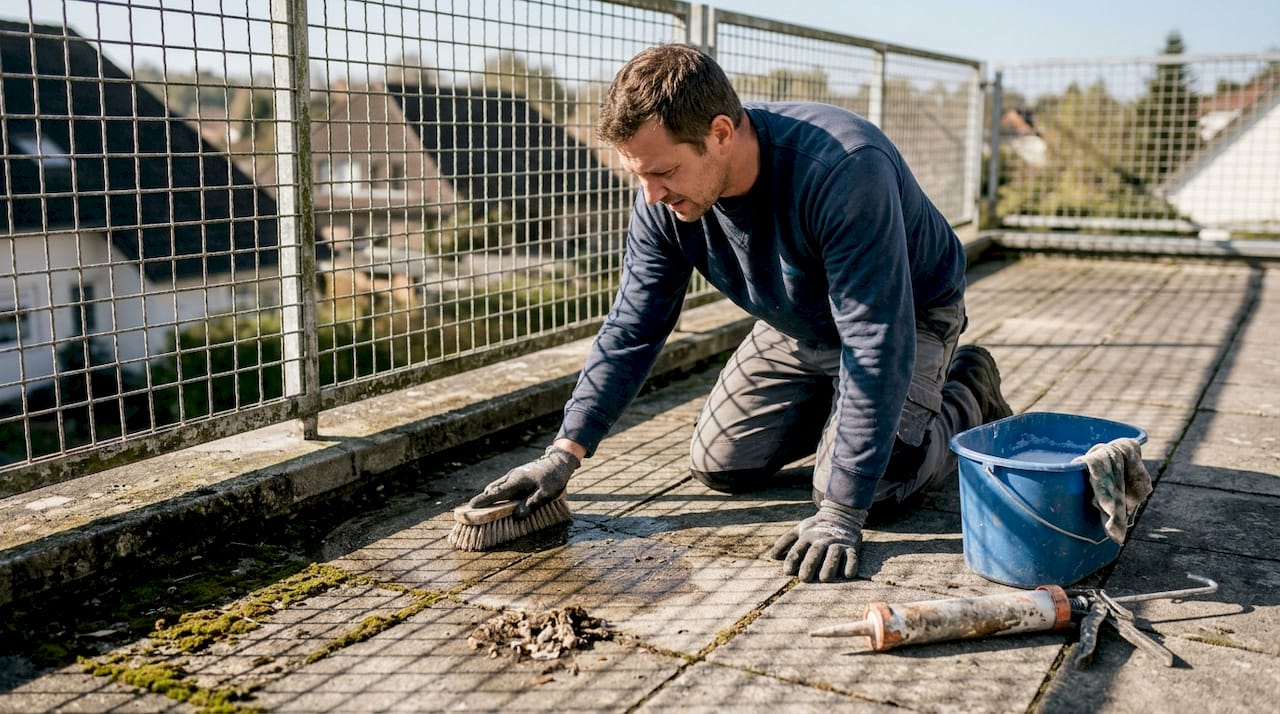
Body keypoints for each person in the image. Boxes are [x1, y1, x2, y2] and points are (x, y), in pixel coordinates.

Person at [466, 43, 1012, 583]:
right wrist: (565, 452)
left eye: (663, 172)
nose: (650, 195)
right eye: (639, 175)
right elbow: (634, 324)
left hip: (906, 315)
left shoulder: (843, 168)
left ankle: (967, 390)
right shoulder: (662, 200)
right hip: (799, 322)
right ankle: (844, 420)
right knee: (719, 463)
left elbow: (875, 340)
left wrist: (842, 511)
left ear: (721, 134)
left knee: (870, 486)